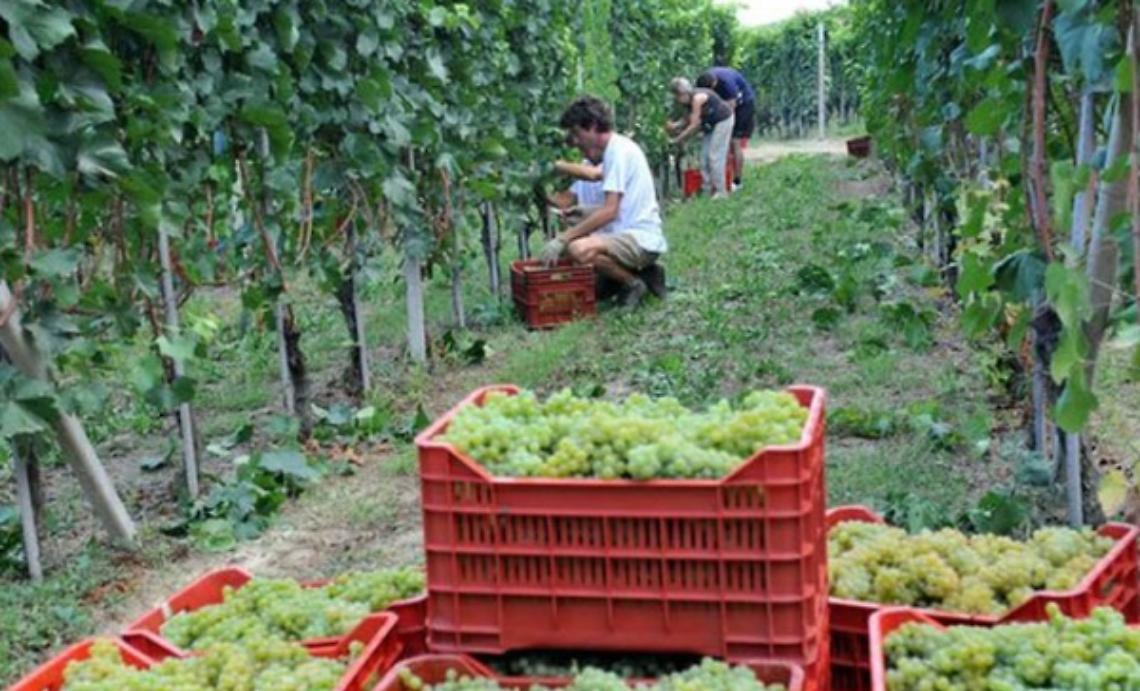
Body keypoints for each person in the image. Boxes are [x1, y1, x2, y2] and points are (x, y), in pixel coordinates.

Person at [540, 96, 667, 308]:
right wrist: (583, 212)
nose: (574, 141)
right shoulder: (613, 152)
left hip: (639, 238)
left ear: (591, 126)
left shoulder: (618, 152)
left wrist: (563, 238)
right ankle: (647, 273)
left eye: (576, 133)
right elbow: (619, 207)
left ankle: (633, 283)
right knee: (594, 285)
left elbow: (610, 212)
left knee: (577, 249)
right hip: (625, 234)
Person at [665, 77, 734, 198]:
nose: (677, 100)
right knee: (704, 157)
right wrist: (675, 126)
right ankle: (706, 190)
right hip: (711, 124)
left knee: (715, 156)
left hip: (723, 121)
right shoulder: (688, 102)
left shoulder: (697, 99)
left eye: (677, 96)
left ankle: (721, 192)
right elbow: (687, 119)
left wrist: (678, 139)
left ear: (683, 93)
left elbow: (694, 125)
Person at [697, 67, 756, 190]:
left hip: (743, 104)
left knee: (735, 141)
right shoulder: (703, 82)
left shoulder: (727, 83)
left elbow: (731, 108)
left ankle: (737, 181)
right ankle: (722, 178)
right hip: (724, 106)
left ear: (714, 84)